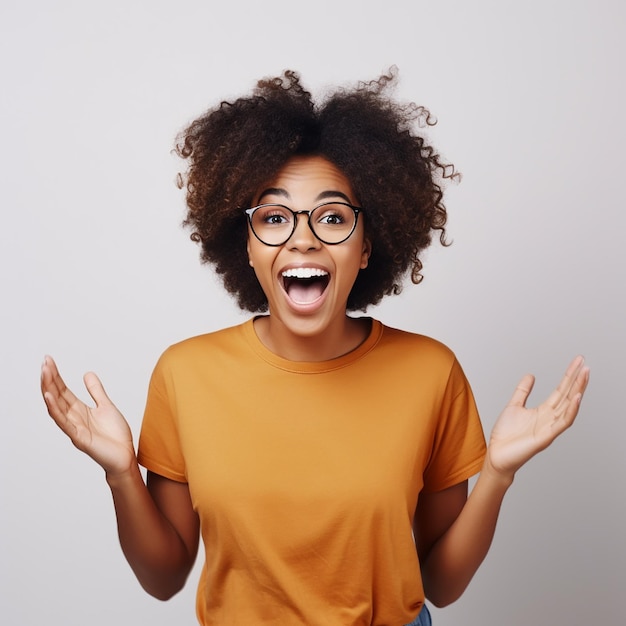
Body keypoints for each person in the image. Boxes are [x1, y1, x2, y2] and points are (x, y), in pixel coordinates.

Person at [40, 68, 589, 626]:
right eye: (274, 218)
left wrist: (497, 473)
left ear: (368, 247)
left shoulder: (430, 372)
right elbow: (163, 580)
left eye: (332, 217)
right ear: (248, 247)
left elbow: (440, 587)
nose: (303, 238)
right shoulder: (185, 373)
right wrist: (120, 475)